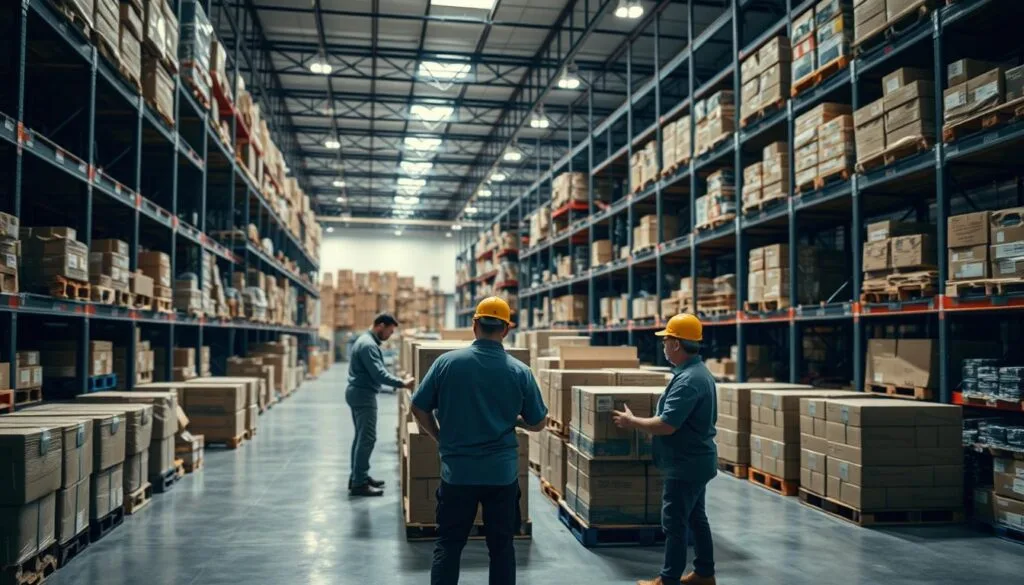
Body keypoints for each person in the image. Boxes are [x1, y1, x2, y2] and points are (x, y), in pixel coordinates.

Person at [410, 297, 547, 585]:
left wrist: (438, 436)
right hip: (501, 476)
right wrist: (515, 420)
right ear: (506, 330)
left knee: (448, 545)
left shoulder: (446, 363)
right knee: (501, 548)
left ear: (474, 325)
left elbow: (419, 406)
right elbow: (538, 423)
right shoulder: (520, 372)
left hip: (457, 474)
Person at [612, 313, 718, 585]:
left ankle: (668, 580)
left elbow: (667, 425)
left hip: (686, 465)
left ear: (676, 344)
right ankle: (705, 573)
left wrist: (631, 421)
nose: (663, 346)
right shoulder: (694, 373)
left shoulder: (689, 381)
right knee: (696, 518)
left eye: (665, 340)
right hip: (695, 461)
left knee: (674, 523)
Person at [346, 312, 413, 497]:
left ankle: (358, 476)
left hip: (358, 392)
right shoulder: (368, 345)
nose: (389, 336)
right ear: (380, 326)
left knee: (360, 437)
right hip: (363, 395)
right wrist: (402, 383)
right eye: (389, 331)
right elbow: (379, 374)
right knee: (367, 438)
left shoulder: (366, 341)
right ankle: (359, 483)